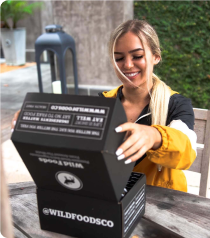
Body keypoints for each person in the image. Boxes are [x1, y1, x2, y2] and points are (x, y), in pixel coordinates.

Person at [12, 19, 197, 193]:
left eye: (137, 56)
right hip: (110, 195)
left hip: (162, 201)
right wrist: (36, 120)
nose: (128, 65)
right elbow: (76, 140)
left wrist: (154, 136)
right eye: (119, 58)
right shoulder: (104, 102)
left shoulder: (176, 103)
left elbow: (187, 150)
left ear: (156, 56)